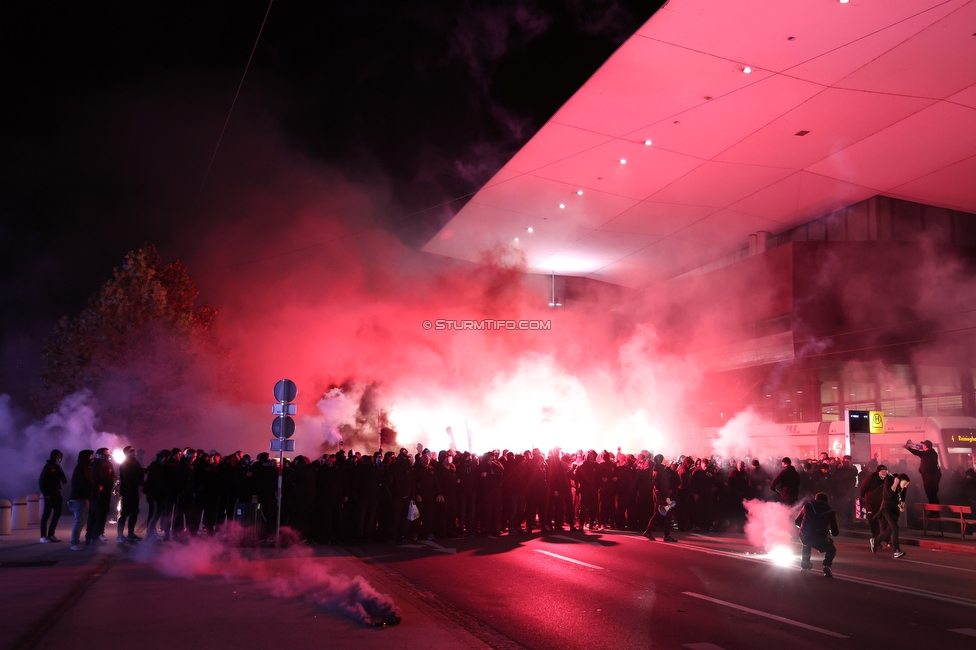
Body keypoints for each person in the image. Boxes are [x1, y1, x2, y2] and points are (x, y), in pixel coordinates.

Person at [794, 492, 839, 577]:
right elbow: (835, 532)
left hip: (804, 536)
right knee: (831, 549)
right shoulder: (830, 511)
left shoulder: (808, 506)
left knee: (806, 543)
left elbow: (797, 522)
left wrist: (804, 527)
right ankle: (826, 565)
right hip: (820, 538)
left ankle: (804, 565)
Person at [870, 473, 911, 559]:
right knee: (895, 528)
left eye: (907, 485)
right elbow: (888, 495)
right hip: (886, 508)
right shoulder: (889, 481)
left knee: (889, 531)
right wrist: (895, 484)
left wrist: (902, 506)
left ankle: (875, 540)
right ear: (899, 480)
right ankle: (896, 550)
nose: (905, 486)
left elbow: (903, 498)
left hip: (894, 510)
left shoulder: (903, 488)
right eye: (904, 484)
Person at [642, 454, 677, 542]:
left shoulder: (655, 470)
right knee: (668, 515)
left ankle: (648, 531)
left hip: (657, 496)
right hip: (662, 497)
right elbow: (664, 486)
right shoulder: (661, 471)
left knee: (657, 514)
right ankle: (666, 535)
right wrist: (667, 497)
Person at [67, 450, 96, 551]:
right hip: (79, 498)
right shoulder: (81, 469)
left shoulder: (84, 468)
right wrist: (96, 488)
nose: (91, 459)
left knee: (81, 521)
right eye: (90, 457)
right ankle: (74, 542)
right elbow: (86, 482)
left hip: (83, 497)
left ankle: (75, 542)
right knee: (79, 521)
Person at [38, 449, 68, 543]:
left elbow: (61, 479)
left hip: (57, 494)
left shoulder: (58, 467)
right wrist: (46, 494)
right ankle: (43, 536)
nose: (59, 458)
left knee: (57, 514)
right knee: (46, 515)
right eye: (57, 456)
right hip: (50, 495)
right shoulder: (48, 467)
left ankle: (51, 534)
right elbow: (41, 481)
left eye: (60, 456)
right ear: (53, 456)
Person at [118, 446, 144, 543]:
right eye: (131, 451)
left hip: (134, 490)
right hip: (127, 491)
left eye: (134, 450)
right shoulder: (125, 464)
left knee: (134, 512)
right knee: (125, 513)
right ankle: (120, 535)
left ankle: (131, 533)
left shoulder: (135, 462)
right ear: (126, 453)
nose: (134, 452)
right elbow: (128, 478)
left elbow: (139, 473)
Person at [905, 440, 942, 504]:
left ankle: (934, 511)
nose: (922, 446)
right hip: (932, 476)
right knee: (933, 495)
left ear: (926, 446)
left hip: (929, 477)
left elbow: (917, 452)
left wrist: (908, 448)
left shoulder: (927, 453)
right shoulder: (933, 452)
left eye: (923, 445)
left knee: (931, 495)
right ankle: (934, 511)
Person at [859, 464, 889, 539]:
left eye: (885, 471)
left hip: (883, 502)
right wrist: (865, 498)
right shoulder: (871, 478)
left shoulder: (888, 479)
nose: (883, 473)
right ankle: (876, 539)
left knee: (885, 520)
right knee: (873, 521)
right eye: (882, 471)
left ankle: (887, 539)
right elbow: (863, 488)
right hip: (872, 502)